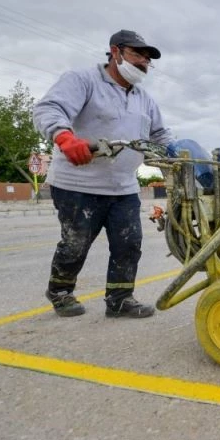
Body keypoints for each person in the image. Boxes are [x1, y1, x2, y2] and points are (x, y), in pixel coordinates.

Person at [33, 29, 174, 318]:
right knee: (76, 243)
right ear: (115, 51)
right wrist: (64, 137)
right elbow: (49, 108)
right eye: (137, 55)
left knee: (129, 243)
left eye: (148, 59)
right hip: (78, 183)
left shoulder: (144, 99)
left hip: (123, 185)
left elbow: (160, 136)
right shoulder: (83, 80)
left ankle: (120, 299)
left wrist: (178, 157)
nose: (143, 63)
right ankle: (60, 291)